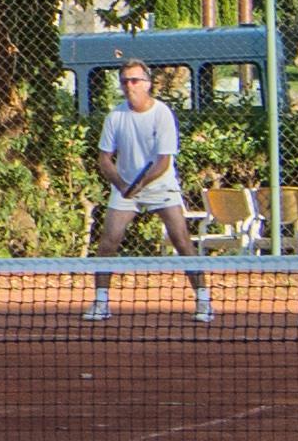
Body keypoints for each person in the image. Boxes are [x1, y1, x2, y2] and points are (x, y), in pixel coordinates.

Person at [85, 59, 213, 321]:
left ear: (148, 84)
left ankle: (203, 300)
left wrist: (141, 184)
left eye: (135, 80)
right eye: (124, 81)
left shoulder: (162, 114)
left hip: (161, 185)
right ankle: (101, 302)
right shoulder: (115, 117)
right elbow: (104, 159)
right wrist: (122, 185)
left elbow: (164, 160)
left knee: (181, 240)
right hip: (125, 188)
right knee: (108, 242)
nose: (129, 85)